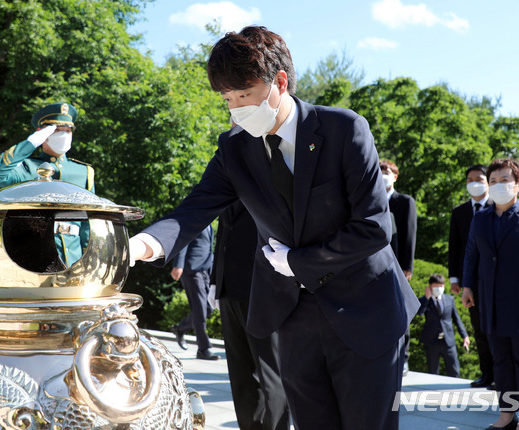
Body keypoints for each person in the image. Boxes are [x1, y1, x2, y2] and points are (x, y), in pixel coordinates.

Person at [129, 26, 419, 429]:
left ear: (279, 82)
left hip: (365, 308)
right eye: (227, 100)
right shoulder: (235, 148)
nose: (236, 109)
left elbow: (373, 228)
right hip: (294, 315)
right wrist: (139, 246)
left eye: (244, 95)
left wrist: (299, 261)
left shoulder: (343, 130)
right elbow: (193, 210)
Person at [462, 158, 519, 430]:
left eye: (505, 181)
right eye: (493, 181)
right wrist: (467, 286)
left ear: (518, 185)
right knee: (501, 361)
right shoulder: (481, 218)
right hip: (490, 301)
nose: (498, 186)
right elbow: (472, 253)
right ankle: (507, 415)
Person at [0, 102, 94, 267]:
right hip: (32, 252)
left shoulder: (83, 172)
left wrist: (89, 258)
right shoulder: (27, 168)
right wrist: (30, 143)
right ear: (43, 134)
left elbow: (89, 221)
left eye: (68, 130)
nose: (64, 135)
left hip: (72, 256)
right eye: (57, 130)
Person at [212, 201, 289, 429]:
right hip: (229, 288)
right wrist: (216, 280)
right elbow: (224, 231)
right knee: (240, 372)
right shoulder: (228, 178)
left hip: (263, 288)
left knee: (271, 372)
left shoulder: (269, 176)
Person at [448, 164, 495, 388]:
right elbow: (454, 247)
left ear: (488, 182)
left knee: (497, 329)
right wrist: (455, 279)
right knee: (479, 329)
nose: (474, 182)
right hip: (471, 282)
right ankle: (487, 373)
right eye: (470, 179)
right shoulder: (459, 212)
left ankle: (501, 374)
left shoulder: (499, 207)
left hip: (496, 281)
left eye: (479, 178)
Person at [380, 159, 417, 376]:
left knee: (401, 310)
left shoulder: (404, 201)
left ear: (395, 176)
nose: (382, 173)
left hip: (397, 265)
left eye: (387, 171)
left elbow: (409, 235)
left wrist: (407, 266)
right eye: (379, 170)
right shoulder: (367, 196)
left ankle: (404, 358)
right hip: (374, 265)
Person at [170, 225, 218, 360]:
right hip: (192, 269)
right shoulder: (197, 217)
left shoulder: (209, 220)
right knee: (200, 309)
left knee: (209, 307)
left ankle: (180, 329)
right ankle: (203, 348)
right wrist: (178, 264)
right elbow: (183, 240)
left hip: (206, 269)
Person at [417, 273, 470, 377]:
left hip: (448, 341)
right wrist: (426, 298)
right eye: (436, 286)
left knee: (454, 370)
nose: (439, 288)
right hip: (432, 341)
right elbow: (420, 313)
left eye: (441, 286)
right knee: (433, 371)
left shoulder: (449, 299)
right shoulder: (425, 300)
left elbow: (456, 319)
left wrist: (464, 336)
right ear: (430, 286)